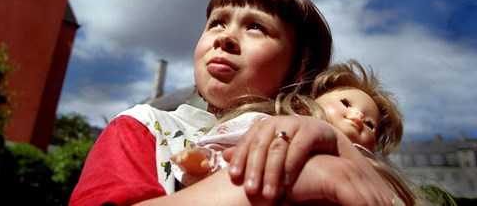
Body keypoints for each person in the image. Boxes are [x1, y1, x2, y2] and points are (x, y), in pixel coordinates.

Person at [69, 0, 395, 205]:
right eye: (217, 22)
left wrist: (336, 143)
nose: (224, 37)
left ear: (300, 66)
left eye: (256, 27)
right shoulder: (145, 127)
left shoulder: (331, 144)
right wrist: (301, 178)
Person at [170, 59, 418, 205]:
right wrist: (205, 161)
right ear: (306, 104)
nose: (356, 117)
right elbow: (234, 150)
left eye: (370, 124)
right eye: (345, 103)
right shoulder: (270, 125)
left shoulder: (371, 170)